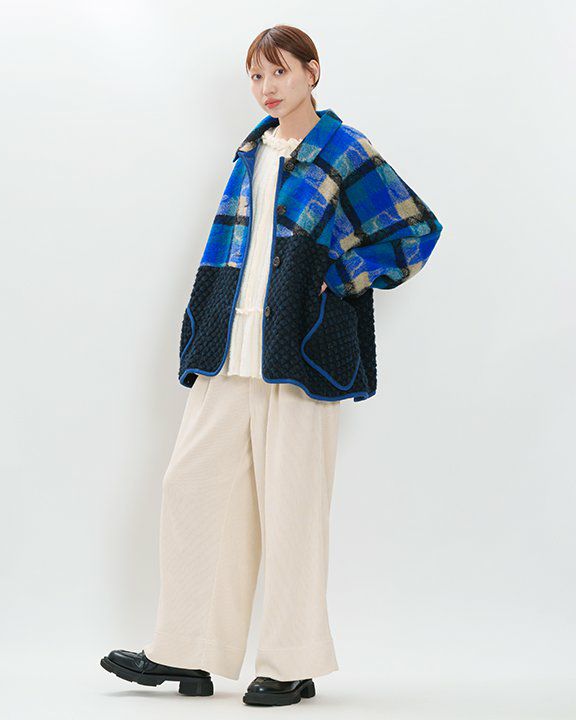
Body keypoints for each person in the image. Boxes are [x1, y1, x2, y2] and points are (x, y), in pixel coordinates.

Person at [100, 24, 443, 707]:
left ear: (312, 71)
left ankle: (292, 661)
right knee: (191, 488)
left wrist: (340, 275)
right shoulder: (250, 152)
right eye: (256, 76)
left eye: (279, 72)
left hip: (300, 350)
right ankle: (187, 651)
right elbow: (231, 247)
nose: (266, 87)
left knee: (292, 508)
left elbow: (416, 231)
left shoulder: (344, 150)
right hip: (232, 347)